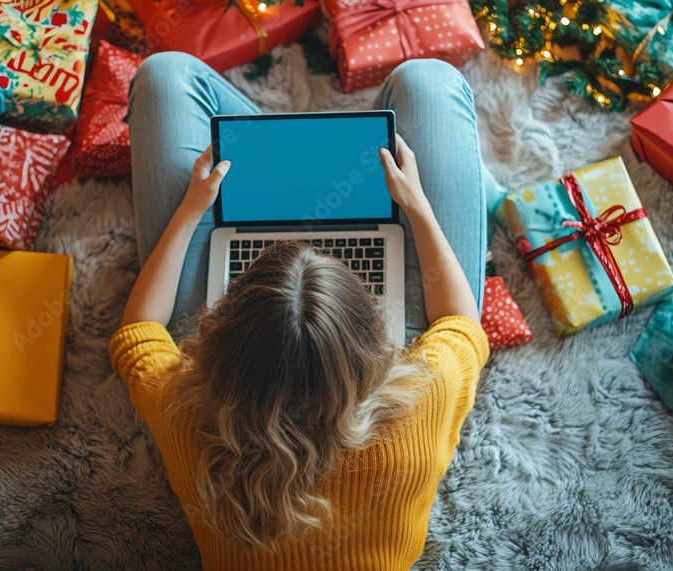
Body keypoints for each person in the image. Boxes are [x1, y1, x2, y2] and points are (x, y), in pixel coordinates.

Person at [108, 52, 490, 570]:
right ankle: (319, 153)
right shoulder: (419, 405)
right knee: (428, 80)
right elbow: (461, 325)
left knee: (164, 74)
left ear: (219, 330)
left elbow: (138, 329)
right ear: (372, 337)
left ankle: (274, 155)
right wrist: (416, 205)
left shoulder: (185, 415)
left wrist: (192, 207)